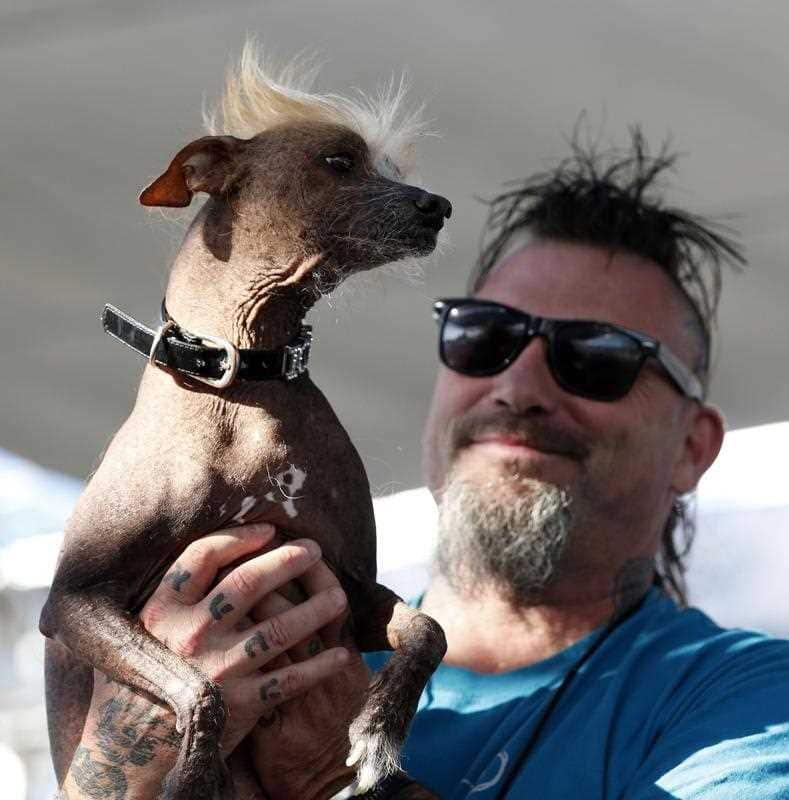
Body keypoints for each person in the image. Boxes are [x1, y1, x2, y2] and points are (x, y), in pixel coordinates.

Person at [56, 131, 789, 800]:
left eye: (595, 357)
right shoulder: (227, 639)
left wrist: (328, 778)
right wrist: (119, 759)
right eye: (484, 336)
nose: (519, 387)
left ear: (694, 447)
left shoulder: (748, 701)